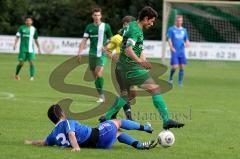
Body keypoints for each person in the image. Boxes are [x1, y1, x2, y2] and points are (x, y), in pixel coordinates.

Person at [100, 6, 184, 129]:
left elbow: (122, 34)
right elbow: (129, 50)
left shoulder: (131, 25)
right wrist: (140, 61)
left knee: (125, 96)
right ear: (145, 18)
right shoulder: (136, 31)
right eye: (152, 20)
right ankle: (166, 120)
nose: (152, 23)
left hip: (120, 68)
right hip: (131, 69)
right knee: (155, 89)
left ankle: (107, 117)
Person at [25, 104, 157, 151]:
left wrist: (30, 142)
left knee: (117, 133)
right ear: (62, 114)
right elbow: (71, 133)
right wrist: (76, 148)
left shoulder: (53, 135)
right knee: (117, 122)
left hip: (98, 145)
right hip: (98, 135)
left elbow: (44, 142)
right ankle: (145, 127)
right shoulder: (68, 121)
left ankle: (139, 145)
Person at [102, 15, 138, 120]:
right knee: (125, 93)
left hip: (131, 68)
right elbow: (106, 49)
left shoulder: (133, 36)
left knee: (133, 93)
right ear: (125, 24)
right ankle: (129, 118)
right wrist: (114, 57)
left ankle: (112, 113)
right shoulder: (117, 37)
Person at [77, 7, 113, 103]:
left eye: (98, 15)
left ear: (101, 16)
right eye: (95, 15)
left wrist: (106, 47)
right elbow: (84, 41)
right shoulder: (89, 27)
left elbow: (111, 39)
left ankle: (102, 97)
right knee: (95, 77)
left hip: (102, 54)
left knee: (98, 73)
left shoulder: (106, 26)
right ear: (92, 16)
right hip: (92, 54)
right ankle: (101, 95)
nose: (97, 17)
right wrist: (79, 52)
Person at [13, 16, 41, 81]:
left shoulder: (34, 29)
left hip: (31, 49)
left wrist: (39, 47)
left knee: (31, 62)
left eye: (29, 21)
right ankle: (16, 74)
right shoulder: (21, 28)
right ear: (25, 22)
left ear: (31, 22)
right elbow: (17, 36)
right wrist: (15, 44)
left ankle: (32, 77)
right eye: (27, 21)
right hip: (23, 49)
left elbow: (36, 39)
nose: (28, 22)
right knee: (21, 63)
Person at [167, 14, 190, 86]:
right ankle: (170, 78)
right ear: (176, 21)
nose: (180, 22)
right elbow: (169, 39)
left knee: (182, 67)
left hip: (181, 51)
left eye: (181, 21)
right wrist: (171, 47)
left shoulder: (184, 30)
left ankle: (180, 81)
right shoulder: (171, 29)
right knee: (175, 66)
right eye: (178, 21)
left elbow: (186, 40)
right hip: (174, 51)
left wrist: (187, 43)